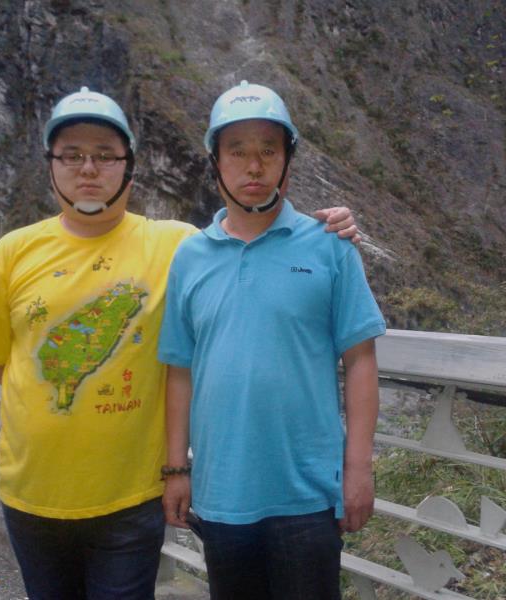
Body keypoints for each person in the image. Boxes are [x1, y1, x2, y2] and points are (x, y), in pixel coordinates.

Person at [0, 85, 359, 600]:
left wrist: (332, 225)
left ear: (130, 166)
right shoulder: (9, 255)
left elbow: (245, 238)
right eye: (72, 155)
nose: (89, 169)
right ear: (50, 164)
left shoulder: (178, 245)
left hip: (132, 497)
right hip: (30, 493)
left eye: (105, 155)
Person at [159, 80, 386, 600]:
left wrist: (358, 468)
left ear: (288, 160)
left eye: (268, 150)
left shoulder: (330, 246)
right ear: (215, 161)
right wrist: (176, 469)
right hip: (221, 494)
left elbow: (360, 360)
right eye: (237, 151)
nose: (254, 166)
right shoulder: (190, 257)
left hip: (308, 495)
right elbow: (179, 370)